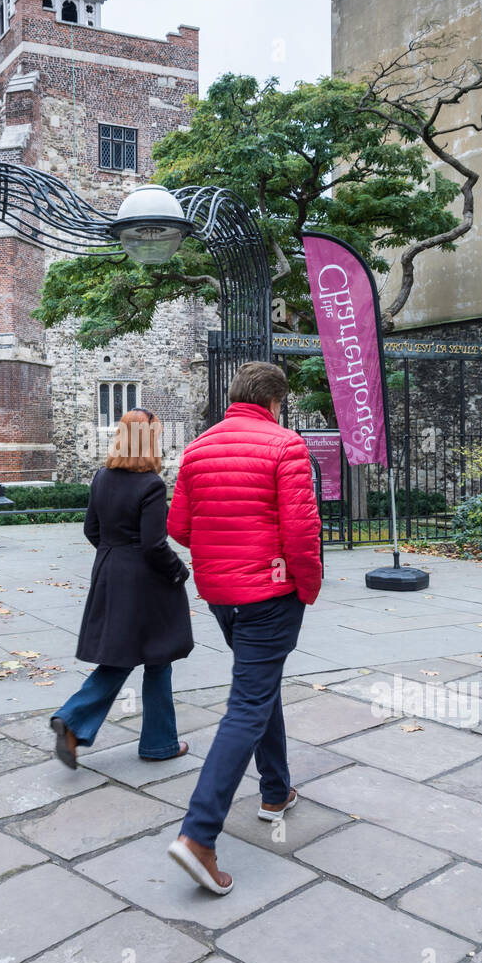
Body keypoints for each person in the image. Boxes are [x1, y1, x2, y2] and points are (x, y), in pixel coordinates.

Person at [165, 362, 322, 895]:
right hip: (269, 594)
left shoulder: (199, 446)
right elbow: (302, 531)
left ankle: (275, 791)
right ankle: (198, 834)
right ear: (276, 402)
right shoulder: (287, 446)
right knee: (248, 704)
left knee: (260, 685)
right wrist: (308, 585)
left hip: (221, 596)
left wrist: (221, 562)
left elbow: (178, 527)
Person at [50, 408, 194, 769]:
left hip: (110, 573)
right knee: (158, 659)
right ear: (149, 440)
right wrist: (179, 571)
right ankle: (157, 743)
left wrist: (114, 556)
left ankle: (75, 720)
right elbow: (153, 545)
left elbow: (91, 531)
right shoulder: (151, 485)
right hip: (146, 582)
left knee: (120, 657)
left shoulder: (101, 477)